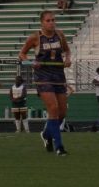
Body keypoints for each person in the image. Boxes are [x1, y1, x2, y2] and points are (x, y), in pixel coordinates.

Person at [19, 10, 72, 156]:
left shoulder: (60, 35)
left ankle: (46, 134)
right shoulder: (35, 37)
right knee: (53, 108)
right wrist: (31, 62)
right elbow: (22, 54)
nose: (51, 23)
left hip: (59, 75)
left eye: (53, 20)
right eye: (48, 20)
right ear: (42, 22)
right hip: (43, 76)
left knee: (62, 112)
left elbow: (67, 51)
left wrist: (68, 59)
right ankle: (59, 146)